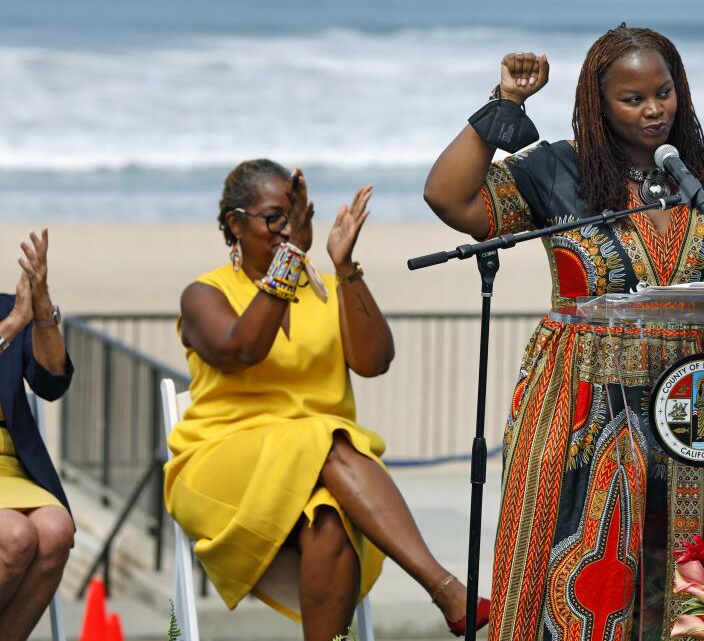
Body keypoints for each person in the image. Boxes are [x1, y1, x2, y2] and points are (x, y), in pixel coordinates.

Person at [424, 25, 704, 639]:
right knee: (590, 567)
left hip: (702, 392)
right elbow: (450, 198)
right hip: (583, 394)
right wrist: (505, 105)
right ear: (598, 102)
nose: (653, 110)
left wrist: (700, 293)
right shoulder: (555, 170)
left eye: (663, 93)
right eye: (633, 99)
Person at [164, 160, 487, 640]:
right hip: (221, 464)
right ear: (235, 223)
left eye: (298, 216)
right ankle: (444, 588)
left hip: (317, 467)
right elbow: (242, 350)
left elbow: (375, 360)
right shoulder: (204, 294)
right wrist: (292, 254)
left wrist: (344, 267)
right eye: (276, 217)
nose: (289, 228)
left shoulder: (322, 288)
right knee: (326, 433)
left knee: (331, 522)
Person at [0, 229, 73, 641]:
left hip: (10, 465)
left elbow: (52, 384)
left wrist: (42, 309)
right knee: (14, 536)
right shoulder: (9, 318)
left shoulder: (11, 307)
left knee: (54, 531)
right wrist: (10, 328)